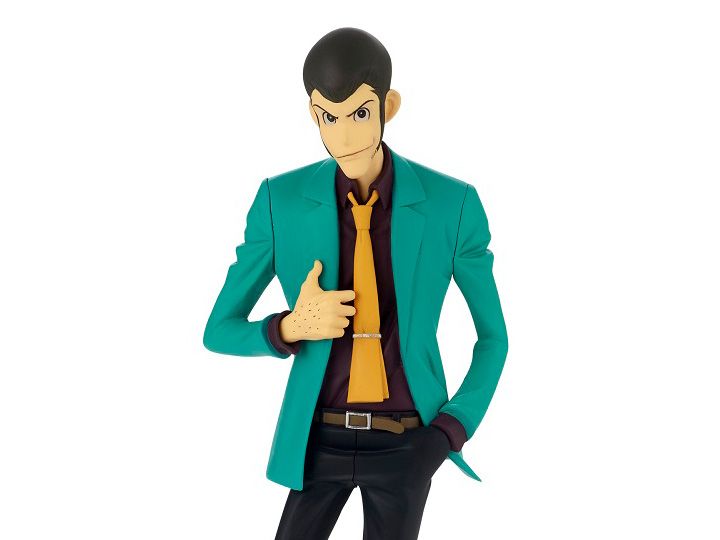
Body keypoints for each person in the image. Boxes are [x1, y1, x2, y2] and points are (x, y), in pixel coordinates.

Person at [203, 27, 509, 540]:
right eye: (329, 117)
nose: (343, 136)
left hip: (409, 442)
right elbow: (219, 330)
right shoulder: (279, 202)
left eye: (360, 114)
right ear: (312, 113)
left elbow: (493, 337)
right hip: (316, 439)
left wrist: (449, 431)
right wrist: (290, 327)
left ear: (388, 106)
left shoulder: (452, 205)